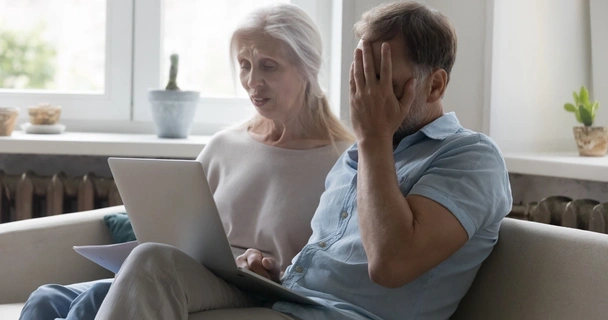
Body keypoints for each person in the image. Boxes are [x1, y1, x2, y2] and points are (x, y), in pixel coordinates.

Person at [95, 1, 513, 320]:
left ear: (435, 84)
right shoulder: (358, 158)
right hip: (285, 300)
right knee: (151, 262)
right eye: (360, 74)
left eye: (381, 79)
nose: (365, 94)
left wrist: (373, 139)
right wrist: (269, 269)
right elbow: (325, 260)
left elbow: (390, 263)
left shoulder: (470, 157)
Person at [18, 3, 353, 320]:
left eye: (268, 66)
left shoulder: (342, 160)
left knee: (101, 294)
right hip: (191, 272)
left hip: (253, 288)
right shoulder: (225, 144)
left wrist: (269, 268)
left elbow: (336, 264)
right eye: (244, 65)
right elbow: (181, 229)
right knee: (46, 297)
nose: (252, 81)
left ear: (309, 67)